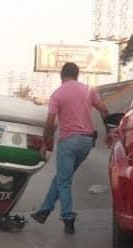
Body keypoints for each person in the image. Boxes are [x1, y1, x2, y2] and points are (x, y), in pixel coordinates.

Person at [30, 62, 109, 235]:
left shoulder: (57, 94)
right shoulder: (89, 90)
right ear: (77, 74)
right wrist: (109, 132)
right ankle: (44, 210)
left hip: (69, 142)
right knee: (61, 177)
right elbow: (104, 110)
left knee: (64, 181)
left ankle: (68, 217)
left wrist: (44, 143)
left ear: (61, 75)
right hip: (87, 142)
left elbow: (50, 122)